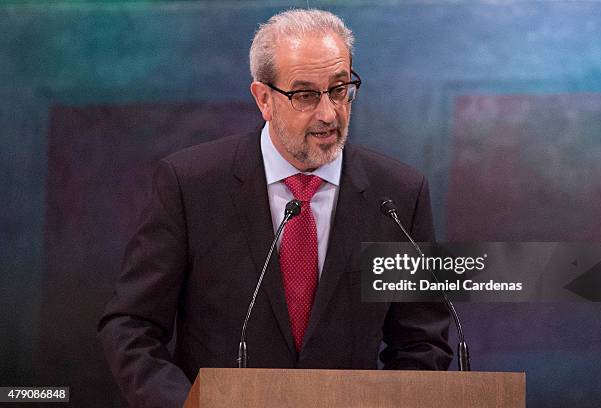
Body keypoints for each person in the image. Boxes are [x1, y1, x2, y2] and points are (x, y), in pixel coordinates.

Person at [98, 9, 452, 408]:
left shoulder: (401, 194)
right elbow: (131, 325)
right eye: (304, 95)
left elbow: (423, 341)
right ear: (263, 99)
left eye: (339, 89)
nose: (329, 113)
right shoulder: (190, 184)